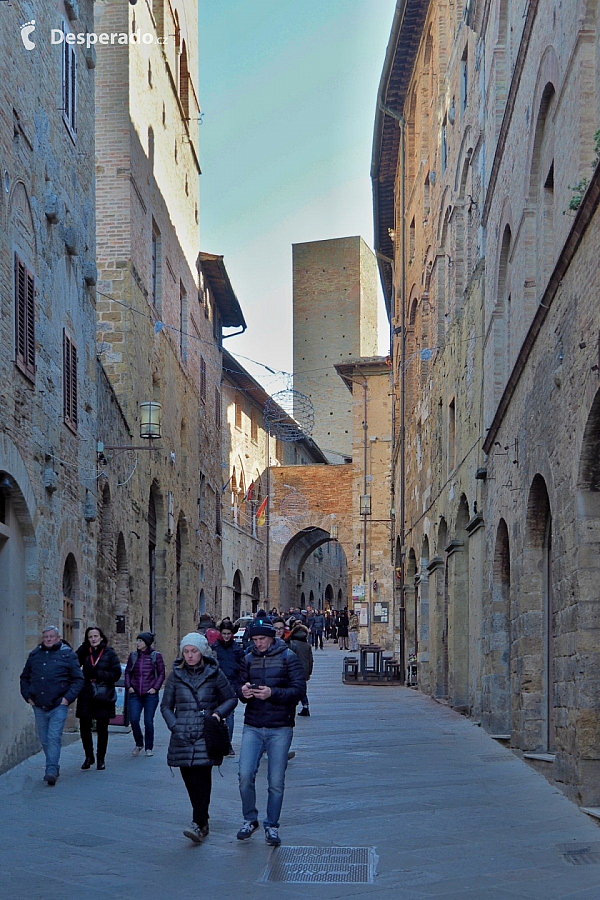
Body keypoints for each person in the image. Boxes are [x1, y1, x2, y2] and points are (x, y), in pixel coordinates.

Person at [161, 633, 237, 843]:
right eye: (186, 651)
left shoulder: (214, 673)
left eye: (193, 651)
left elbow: (231, 698)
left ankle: (199, 822)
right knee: (189, 780)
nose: (190, 655)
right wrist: (174, 725)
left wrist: (217, 714)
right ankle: (201, 819)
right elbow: (166, 705)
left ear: (201, 652)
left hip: (205, 733)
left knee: (202, 779)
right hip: (183, 734)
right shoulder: (175, 675)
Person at [236, 621, 305, 846]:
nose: (259, 644)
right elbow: (239, 687)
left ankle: (272, 825)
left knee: (276, 780)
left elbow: (298, 691)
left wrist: (272, 693)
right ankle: (250, 819)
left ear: (271, 638)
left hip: (280, 727)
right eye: (255, 640)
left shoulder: (288, 657)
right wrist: (244, 692)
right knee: (245, 774)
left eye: (262, 640)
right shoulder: (248, 659)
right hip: (253, 724)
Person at [20, 626, 84, 785]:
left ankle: (51, 770)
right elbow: (24, 677)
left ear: (58, 638)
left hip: (58, 704)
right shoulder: (35, 655)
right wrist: (28, 696)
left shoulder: (67, 655)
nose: (48, 639)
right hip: (39, 705)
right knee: (44, 738)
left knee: (54, 737)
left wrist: (66, 699)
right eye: (45, 637)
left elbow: (78, 680)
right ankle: (53, 765)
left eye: (51, 636)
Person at [76, 627, 122, 770]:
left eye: (96, 636)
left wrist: (100, 674)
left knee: (102, 728)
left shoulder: (110, 653)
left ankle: (101, 757)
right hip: (87, 693)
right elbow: (73, 664)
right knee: (84, 726)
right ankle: (89, 756)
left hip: (103, 693)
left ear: (101, 637)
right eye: (90, 637)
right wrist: (82, 649)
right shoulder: (84, 652)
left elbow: (116, 674)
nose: (93, 639)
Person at [124, 632, 165, 757]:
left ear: (146, 643)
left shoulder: (155, 656)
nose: (138, 643)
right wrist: (129, 686)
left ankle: (149, 747)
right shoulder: (133, 656)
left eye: (140, 641)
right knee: (134, 719)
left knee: (148, 721)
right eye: (137, 640)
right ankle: (139, 743)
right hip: (135, 693)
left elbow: (161, 673)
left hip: (150, 694)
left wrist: (155, 688)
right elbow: (127, 672)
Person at [213, 619, 244, 755]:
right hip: (216, 686)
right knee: (217, 715)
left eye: (228, 634)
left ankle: (228, 744)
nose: (226, 636)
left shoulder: (237, 649)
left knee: (230, 716)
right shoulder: (214, 647)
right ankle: (218, 743)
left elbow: (243, 665)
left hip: (231, 685)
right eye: (224, 633)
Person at [288, 620, 313, 716]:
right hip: (304, 670)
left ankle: (293, 705)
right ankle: (305, 706)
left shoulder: (291, 643)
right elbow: (310, 660)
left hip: (293, 669)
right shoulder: (307, 646)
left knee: (292, 687)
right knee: (301, 688)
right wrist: (309, 672)